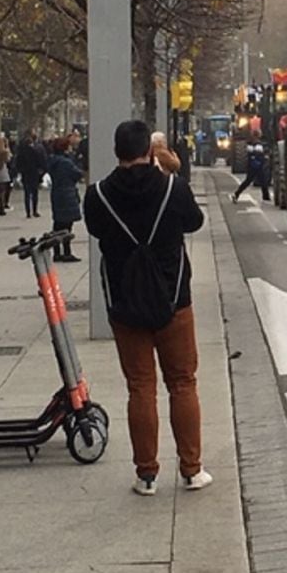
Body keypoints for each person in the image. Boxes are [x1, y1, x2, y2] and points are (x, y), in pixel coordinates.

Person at [84, 120, 210, 497]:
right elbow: (195, 221)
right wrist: (172, 170)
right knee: (182, 383)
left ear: (116, 151)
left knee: (141, 387)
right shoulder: (172, 188)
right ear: (150, 151)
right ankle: (191, 469)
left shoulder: (98, 195)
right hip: (174, 301)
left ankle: (147, 475)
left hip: (125, 304)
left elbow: (95, 229)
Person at [46, 136, 83, 262]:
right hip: (67, 193)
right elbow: (77, 174)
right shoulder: (66, 162)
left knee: (58, 223)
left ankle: (57, 252)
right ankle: (67, 251)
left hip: (57, 193)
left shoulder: (53, 161)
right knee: (67, 225)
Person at [15, 131, 48, 219]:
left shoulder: (21, 150)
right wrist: (42, 170)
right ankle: (35, 210)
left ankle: (28, 212)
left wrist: (19, 171)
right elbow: (41, 161)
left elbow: (18, 162)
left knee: (27, 193)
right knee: (34, 193)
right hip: (34, 173)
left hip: (25, 173)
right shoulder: (37, 150)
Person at [231, 132, 270, 203]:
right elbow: (258, 153)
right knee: (261, 181)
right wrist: (263, 158)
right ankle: (236, 194)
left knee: (253, 181)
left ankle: (266, 196)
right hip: (256, 166)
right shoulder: (257, 144)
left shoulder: (251, 144)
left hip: (253, 166)